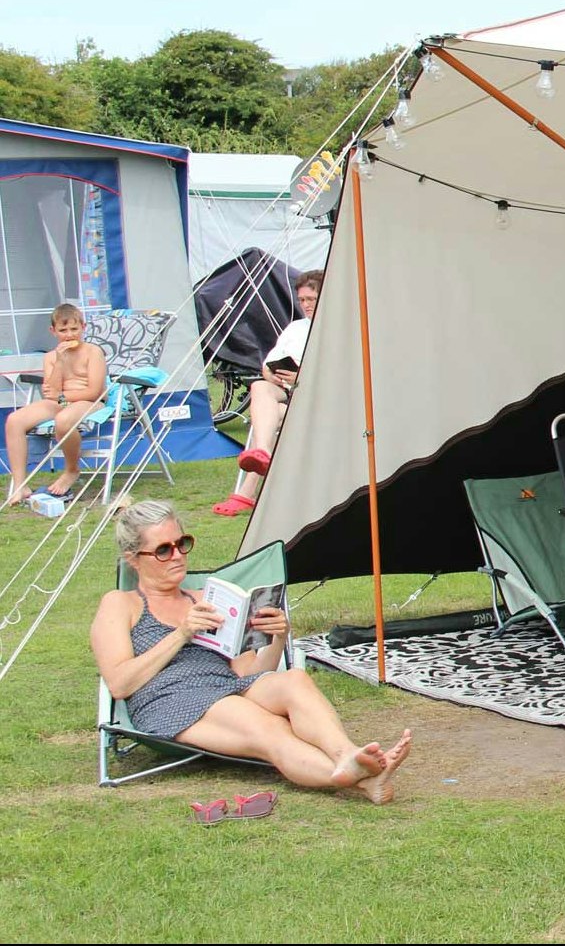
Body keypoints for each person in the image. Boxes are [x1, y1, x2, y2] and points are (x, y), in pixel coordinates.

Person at [91, 500, 412, 803]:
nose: (177, 555)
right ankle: (350, 775)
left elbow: (248, 673)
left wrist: (275, 637)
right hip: (172, 702)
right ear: (134, 559)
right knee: (269, 727)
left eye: (182, 543)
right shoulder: (121, 604)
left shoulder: (207, 597)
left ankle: (346, 755)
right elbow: (120, 682)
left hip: (229, 687)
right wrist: (182, 633)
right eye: (163, 550)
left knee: (295, 680)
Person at [215, 269, 321, 516]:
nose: (305, 305)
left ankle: (246, 493)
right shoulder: (296, 328)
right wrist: (272, 374)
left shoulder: (339, 327)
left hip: (322, 399)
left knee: (271, 415)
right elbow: (267, 364)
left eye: (311, 299)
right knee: (261, 388)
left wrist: (303, 376)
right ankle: (261, 451)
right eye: (301, 300)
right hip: (290, 394)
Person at [5, 303, 108, 506]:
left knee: (63, 419)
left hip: (88, 401)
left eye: (74, 329)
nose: (69, 335)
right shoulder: (51, 357)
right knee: (14, 420)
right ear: (53, 331)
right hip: (60, 401)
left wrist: (62, 397)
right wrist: (60, 362)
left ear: (83, 327)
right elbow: (49, 391)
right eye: (63, 330)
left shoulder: (93, 352)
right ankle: (20, 485)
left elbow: (94, 391)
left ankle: (71, 470)